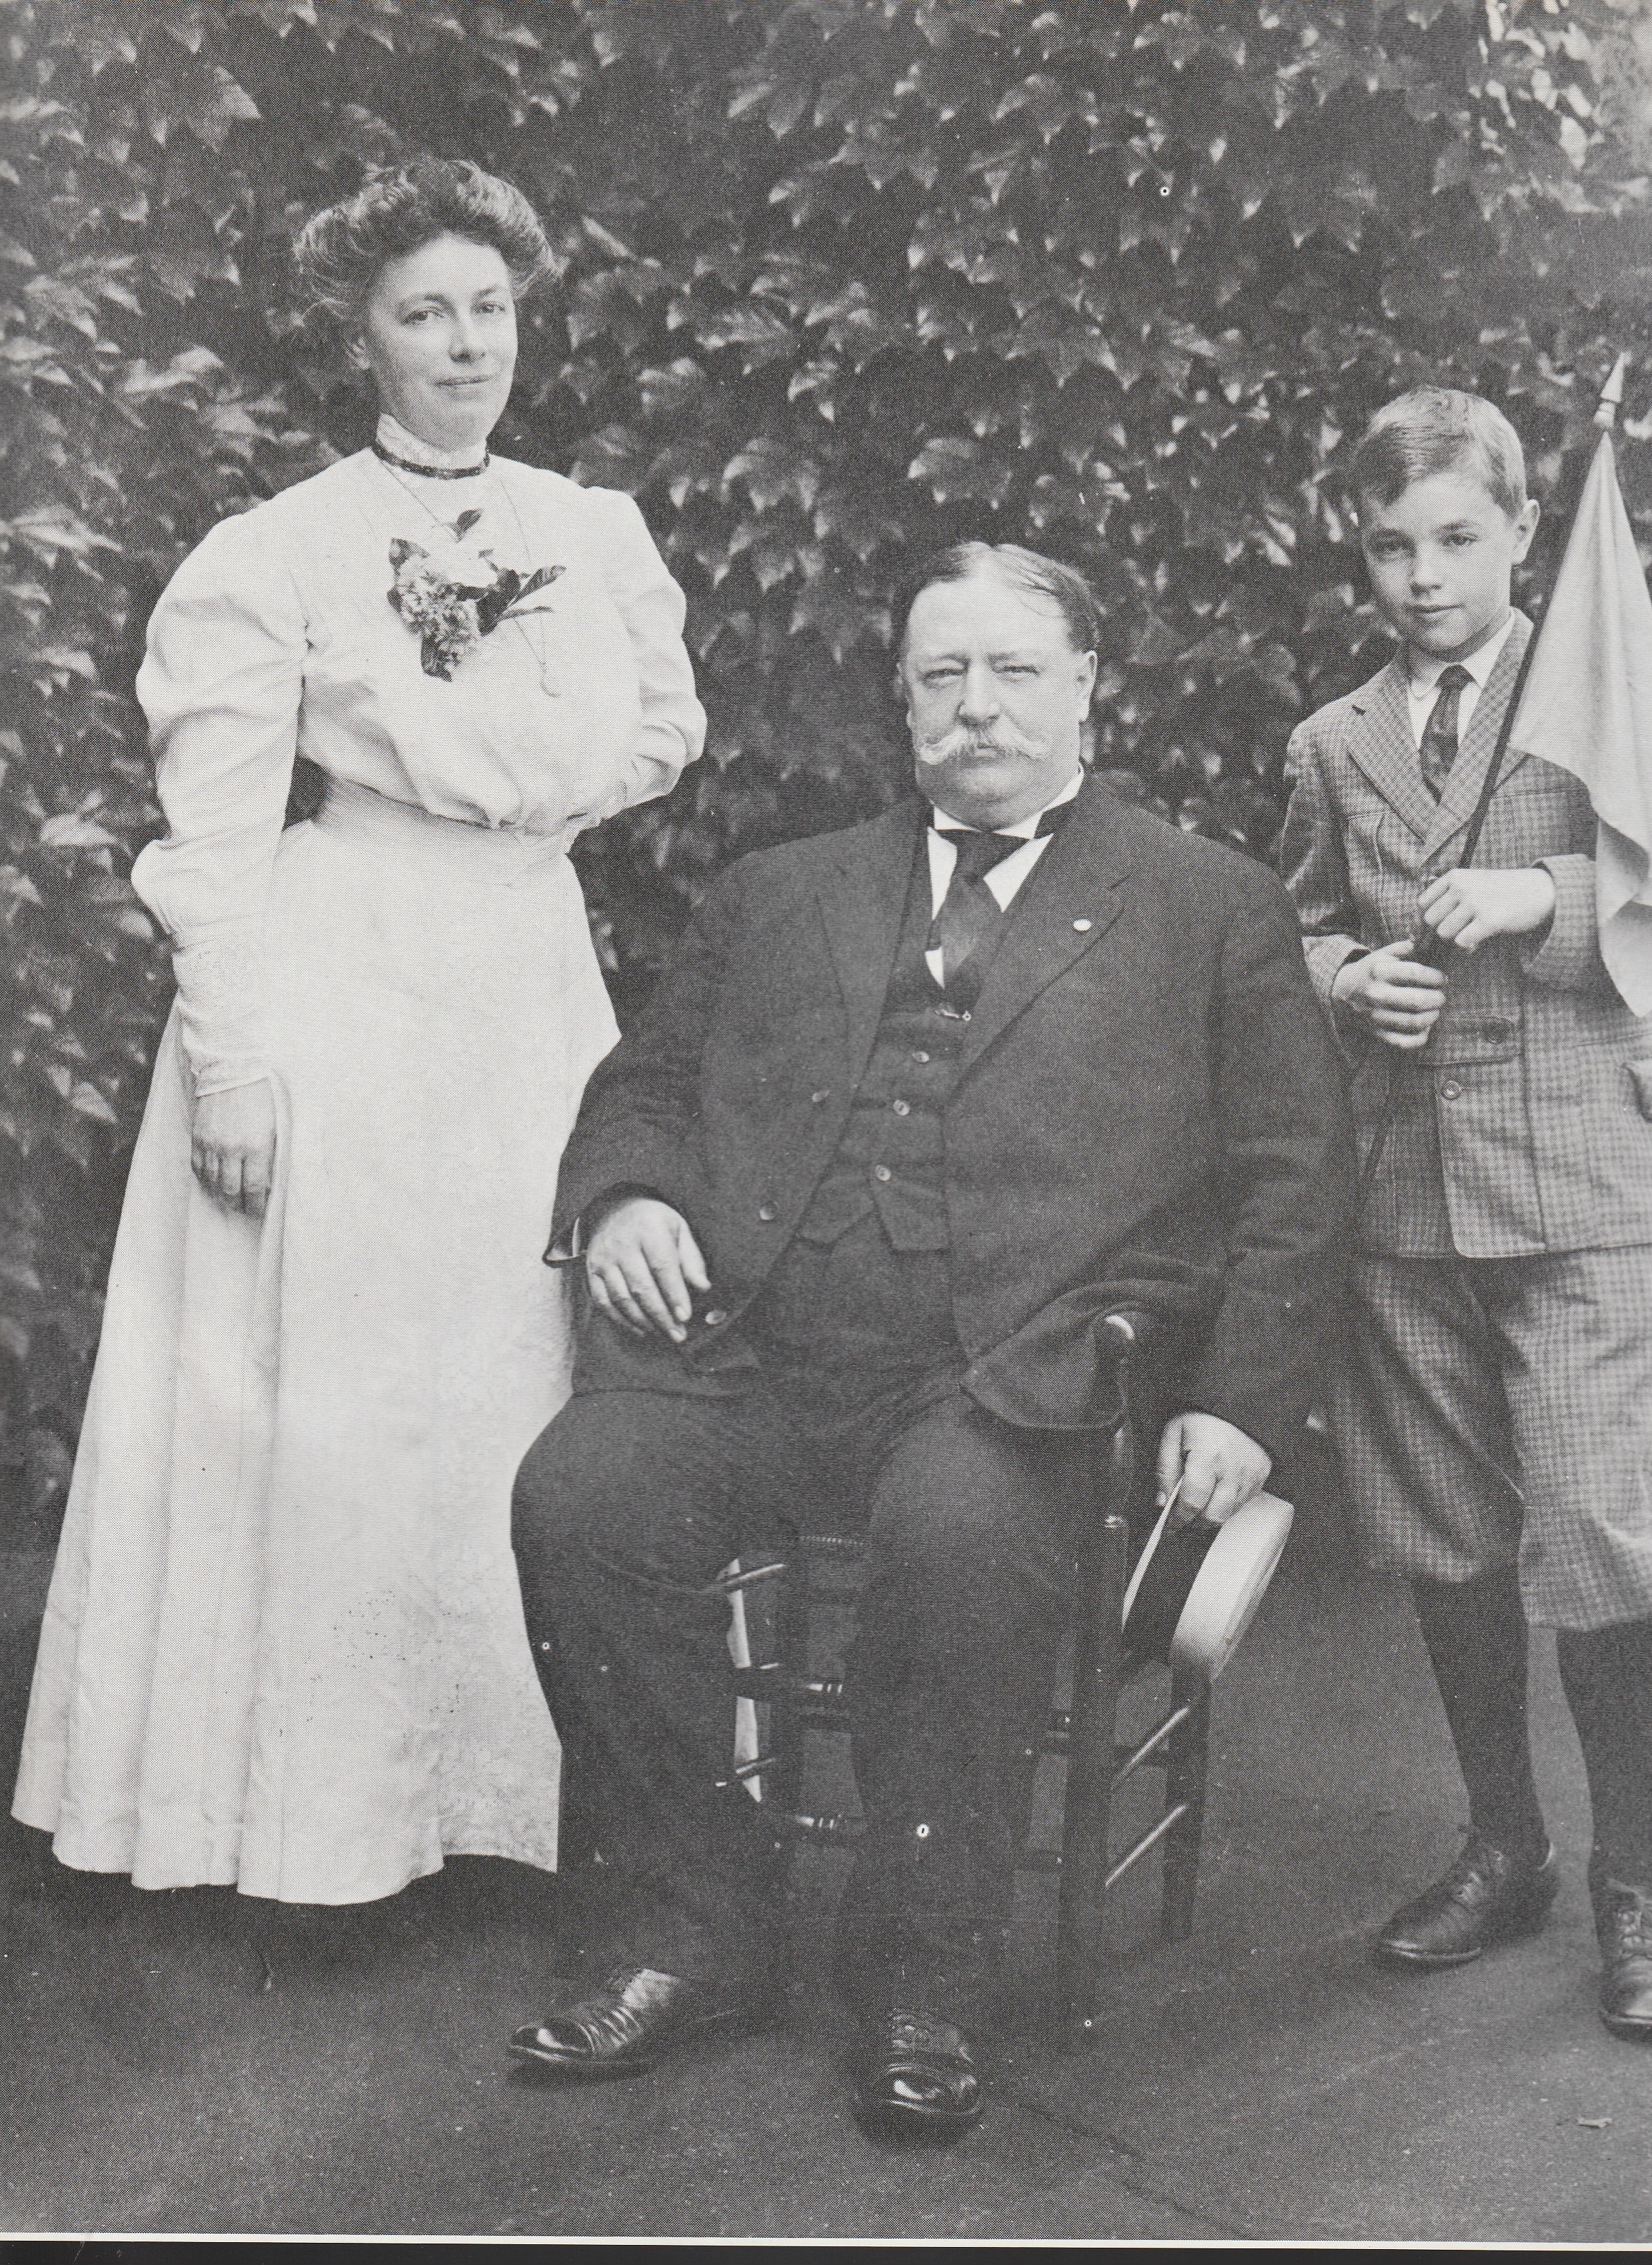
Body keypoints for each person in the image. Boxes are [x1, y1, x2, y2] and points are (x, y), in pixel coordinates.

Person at [505, 541, 1352, 2135]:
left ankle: (920, 1977)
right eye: (940, 674)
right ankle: (696, 1926)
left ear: (1086, 686)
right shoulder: (780, 890)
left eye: (1013, 670)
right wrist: (624, 1197)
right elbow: (646, 1087)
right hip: (763, 1353)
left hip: (1009, 1380)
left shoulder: (1204, 904)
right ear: (898, 701)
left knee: (954, 1536)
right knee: (581, 1497)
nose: (977, 706)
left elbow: (1295, 1185)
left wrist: (1244, 1401)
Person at [11, 159, 706, 1907]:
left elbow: (658, 733)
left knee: (510, 1362)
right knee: (343, 1390)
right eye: (424, 314)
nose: (466, 344)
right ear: (364, 340)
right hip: (345, 985)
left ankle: (496, 1803)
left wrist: (521, 790)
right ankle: (313, 1825)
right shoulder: (277, 554)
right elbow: (215, 838)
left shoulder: (592, 532)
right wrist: (235, 1065)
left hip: (525, 976)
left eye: (490, 308)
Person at [1279, 387, 1652, 2039]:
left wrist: (1544, 893)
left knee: (1597, 1521)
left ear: (1522, 532)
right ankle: (1503, 1846)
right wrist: (1348, 981)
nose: (1423, 576)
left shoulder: (1599, 700)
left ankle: (1634, 1880)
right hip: (1404, 1189)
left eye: (1457, 538)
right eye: (1389, 545)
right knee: (1440, 1526)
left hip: (1577, 1183)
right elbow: (1292, 931)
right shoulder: (1330, 741)